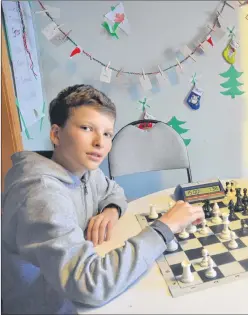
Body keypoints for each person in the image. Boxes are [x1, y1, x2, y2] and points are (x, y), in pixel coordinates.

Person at [1, 84, 204, 314]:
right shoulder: (41, 195)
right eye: (87, 128)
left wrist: (110, 210)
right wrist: (163, 229)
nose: (100, 142)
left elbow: (113, 191)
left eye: (107, 133)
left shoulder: (81, 169)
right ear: (56, 134)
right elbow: (90, 285)